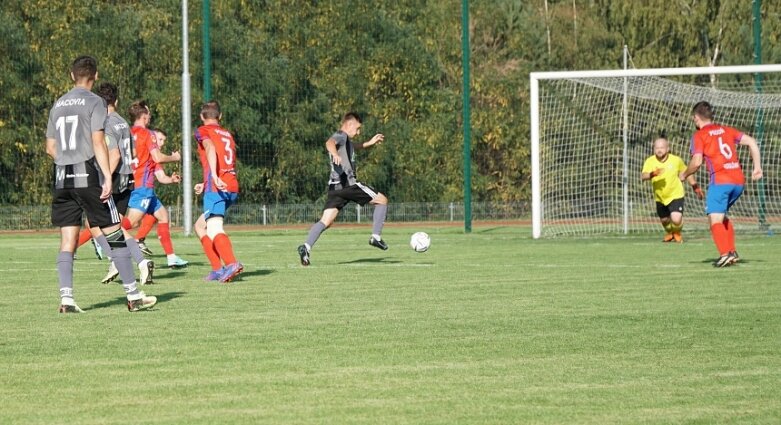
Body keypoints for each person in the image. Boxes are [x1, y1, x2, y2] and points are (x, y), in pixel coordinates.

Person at [45, 55, 156, 313]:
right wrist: (107, 176)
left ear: (72, 76)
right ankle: (133, 295)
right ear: (94, 76)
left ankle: (67, 299)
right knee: (115, 232)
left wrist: (66, 160)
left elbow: (50, 147)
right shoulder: (95, 102)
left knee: (67, 239)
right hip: (87, 175)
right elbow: (98, 142)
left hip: (62, 177)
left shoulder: (58, 104)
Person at [297, 112, 388, 266]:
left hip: (335, 188)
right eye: (358, 128)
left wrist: (369, 143)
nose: (358, 132)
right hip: (348, 184)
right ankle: (375, 237)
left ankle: (305, 247)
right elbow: (329, 142)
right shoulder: (341, 135)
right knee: (382, 201)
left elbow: (354, 147)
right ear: (349, 124)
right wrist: (333, 153)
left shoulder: (347, 142)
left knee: (326, 221)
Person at [679, 101, 763, 267]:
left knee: (714, 220)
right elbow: (752, 141)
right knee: (721, 216)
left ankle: (725, 254)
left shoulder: (699, 135)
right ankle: (731, 252)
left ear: (696, 118)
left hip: (721, 181)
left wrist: (684, 174)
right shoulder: (727, 130)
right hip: (738, 181)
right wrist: (757, 167)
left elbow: (696, 162)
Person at [93, 82, 154, 285]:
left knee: (93, 224)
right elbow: (133, 153)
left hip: (115, 177)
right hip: (128, 180)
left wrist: (105, 178)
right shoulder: (122, 122)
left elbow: (115, 154)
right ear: (116, 101)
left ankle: (125, 259)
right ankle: (135, 261)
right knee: (116, 226)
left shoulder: (106, 122)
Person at [124, 100, 189, 268]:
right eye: (149, 113)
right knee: (131, 223)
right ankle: (104, 235)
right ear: (144, 116)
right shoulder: (148, 134)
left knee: (163, 216)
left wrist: (169, 179)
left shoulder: (128, 133)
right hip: (143, 186)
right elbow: (158, 157)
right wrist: (174, 157)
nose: (150, 116)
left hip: (135, 182)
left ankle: (171, 257)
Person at [193, 100, 243, 282]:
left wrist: (213, 177)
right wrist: (204, 181)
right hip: (231, 184)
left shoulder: (202, 130)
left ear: (201, 117)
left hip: (217, 186)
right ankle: (217, 269)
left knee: (214, 229)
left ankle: (231, 263)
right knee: (200, 226)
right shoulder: (227, 134)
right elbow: (223, 159)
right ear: (220, 116)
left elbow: (210, 148)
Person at [641, 137, 703, 243]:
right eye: (656, 148)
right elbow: (643, 176)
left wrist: (695, 186)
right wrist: (652, 174)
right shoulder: (650, 161)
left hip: (676, 194)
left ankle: (677, 233)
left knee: (676, 219)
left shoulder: (676, 160)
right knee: (665, 221)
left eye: (662, 147)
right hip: (660, 197)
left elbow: (686, 173)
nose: (659, 150)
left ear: (668, 148)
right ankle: (670, 233)